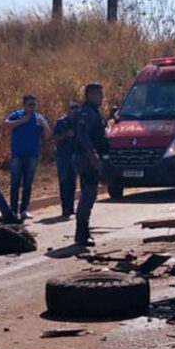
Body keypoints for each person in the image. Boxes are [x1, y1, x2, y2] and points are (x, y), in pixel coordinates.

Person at [72, 83, 109, 247]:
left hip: (88, 157)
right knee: (88, 194)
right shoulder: (87, 112)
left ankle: (83, 232)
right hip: (86, 158)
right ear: (90, 95)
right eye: (99, 94)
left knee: (90, 193)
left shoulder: (93, 112)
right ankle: (81, 233)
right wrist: (91, 153)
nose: (102, 97)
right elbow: (83, 135)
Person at [4, 94, 50, 220]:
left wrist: (44, 125)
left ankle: (24, 209)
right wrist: (22, 121)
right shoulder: (17, 115)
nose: (32, 107)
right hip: (17, 155)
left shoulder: (39, 118)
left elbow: (48, 136)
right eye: (30, 104)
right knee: (15, 183)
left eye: (34, 105)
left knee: (28, 183)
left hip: (32, 155)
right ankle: (13, 210)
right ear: (24, 105)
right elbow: (6, 125)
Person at [52, 103, 80, 218]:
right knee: (64, 182)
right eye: (72, 109)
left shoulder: (79, 123)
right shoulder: (61, 122)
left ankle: (71, 207)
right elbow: (55, 138)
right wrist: (66, 134)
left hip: (74, 155)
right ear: (68, 110)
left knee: (72, 182)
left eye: (76, 109)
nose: (74, 111)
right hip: (63, 155)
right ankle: (65, 208)